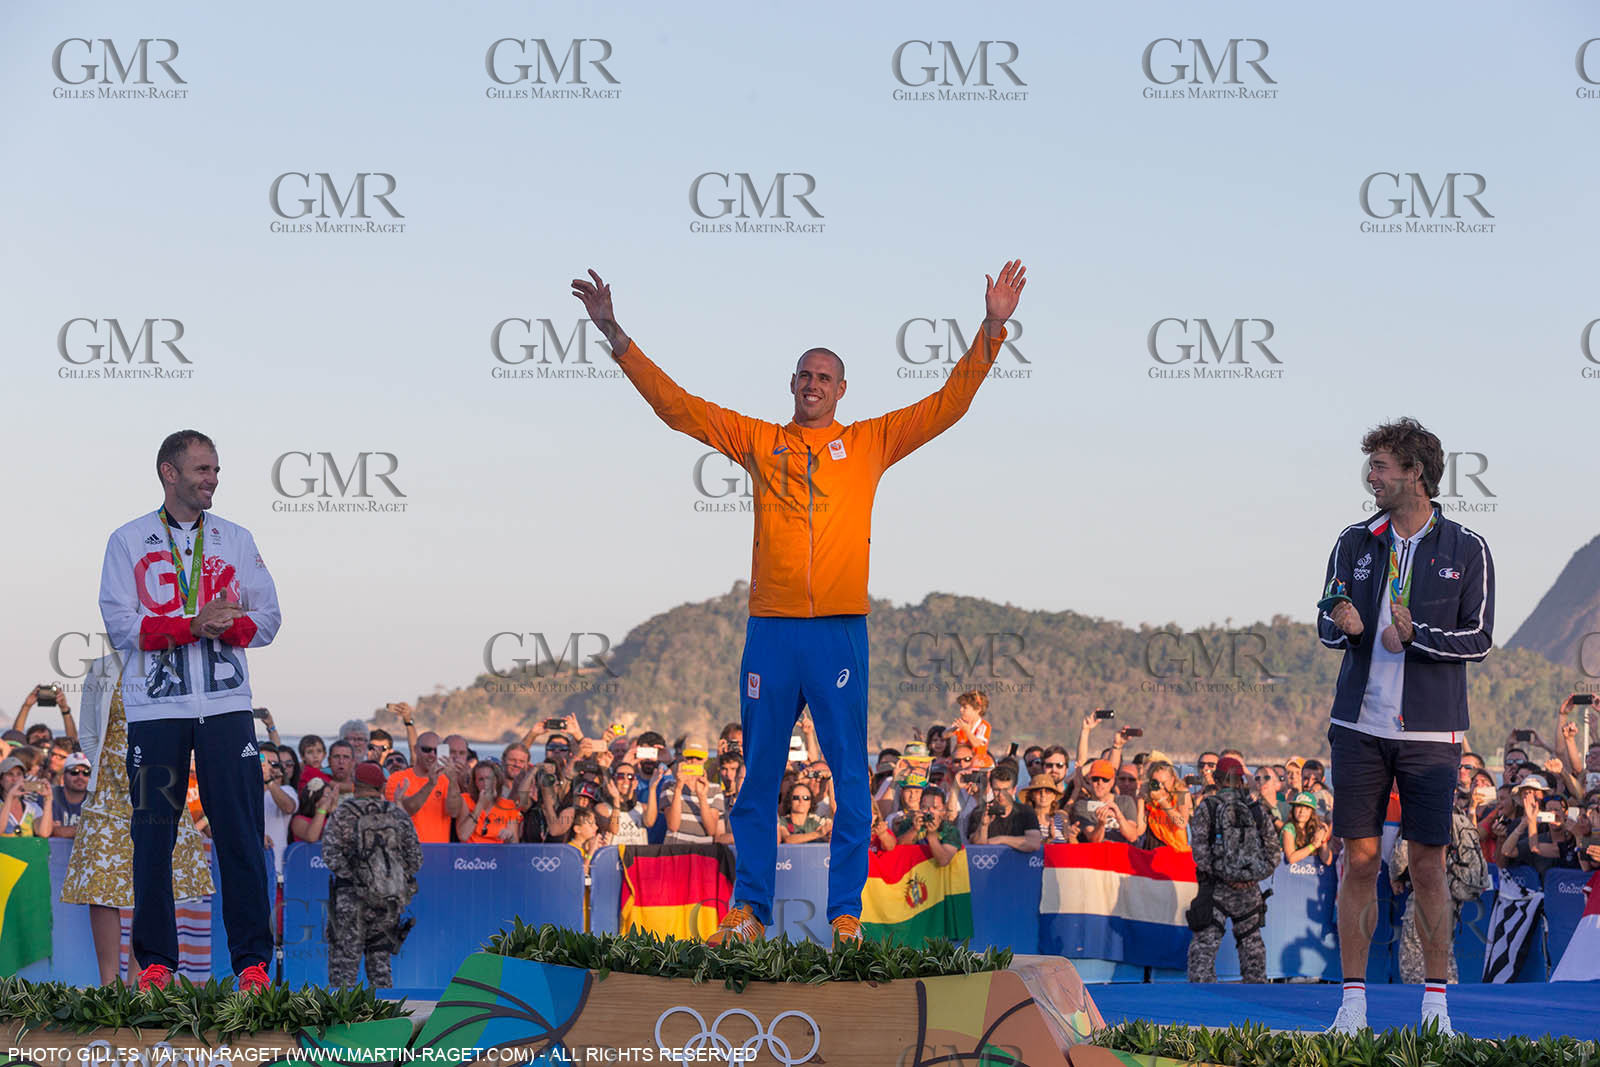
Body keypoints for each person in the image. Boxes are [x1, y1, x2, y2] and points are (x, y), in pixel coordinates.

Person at [573, 261, 1026, 946]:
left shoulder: (871, 442)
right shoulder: (762, 441)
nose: (813, 385)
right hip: (773, 631)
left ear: (842, 390)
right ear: (791, 384)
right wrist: (614, 333)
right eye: (803, 375)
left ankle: (846, 912)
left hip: (839, 633)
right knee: (757, 778)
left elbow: (948, 404)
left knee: (848, 779)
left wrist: (992, 329)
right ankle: (749, 908)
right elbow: (678, 408)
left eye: (825, 377)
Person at [1318, 417, 1494, 1036]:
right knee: (1359, 861)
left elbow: (1479, 639)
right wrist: (1342, 619)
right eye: (1371, 467)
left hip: (1431, 734)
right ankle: (1353, 1004)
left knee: (1427, 867)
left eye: (1382, 468)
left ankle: (1436, 1008)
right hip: (1357, 726)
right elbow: (1325, 613)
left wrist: (1418, 637)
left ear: (1415, 474)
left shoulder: (1467, 548)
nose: (1372, 478)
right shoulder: (1353, 540)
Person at [99, 429, 280, 993]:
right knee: (152, 834)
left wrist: (225, 625)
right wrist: (189, 626)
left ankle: (252, 967)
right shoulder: (128, 540)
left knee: (242, 836)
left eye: (216, 470)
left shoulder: (236, 538)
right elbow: (120, 625)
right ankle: (156, 965)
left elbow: (270, 620)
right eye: (202, 469)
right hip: (156, 710)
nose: (213, 480)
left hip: (227, 709)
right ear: (168, 473)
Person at [60, 658, 214, 986]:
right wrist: (104, 772)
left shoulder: (175, 665)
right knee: (100, 883)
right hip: (110, 782)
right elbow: (89, 731)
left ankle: (141, 981)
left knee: (153, 880)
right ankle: (109, 986)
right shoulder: (103, 666)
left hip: (157, 782)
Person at [321, 761, 422, 989]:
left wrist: (357, 879)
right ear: (382, 786)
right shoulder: (398, 815)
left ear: (355, 785)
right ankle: (386, 1018)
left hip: (349, 899)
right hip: (388, 901)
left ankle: (342, 1020)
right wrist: (388, 879)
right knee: (380, 967)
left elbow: (330, 854)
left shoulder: (343, 814)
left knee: (344, 969)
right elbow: (415, 859)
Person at [1185, 757, 1279, 984]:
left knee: (1204, 950)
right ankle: (1256, 1004)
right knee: (1252, 949)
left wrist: (1224, 876)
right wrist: (1249, 878)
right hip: (1249, 893)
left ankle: (1200, 1003)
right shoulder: (1257, 810)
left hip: (1216, 890)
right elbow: (1274, 854)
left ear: (1217, 779)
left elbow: (1199, 852)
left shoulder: (1208, 807)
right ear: (1242, 781)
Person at [1389, 804, 1489, 984]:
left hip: (1424, 895)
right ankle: (1447, 995)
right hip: (1453, 896)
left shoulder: (1422, 814)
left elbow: (1401, 857)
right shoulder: (1461, 819)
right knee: (1444, 949)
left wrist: (1395, 877)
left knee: (1414, 958)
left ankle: (1423, 1001)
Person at [382, 713, 463, 844]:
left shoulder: (446, 780)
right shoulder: (398, 778)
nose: (432, 754)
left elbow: (454, 812)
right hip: (408, 853)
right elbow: (407, 810)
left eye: (436, 751)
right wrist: (430, 784)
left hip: (438, 853)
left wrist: (454, 781)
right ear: (415, 750)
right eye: (426, 749)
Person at [968, 763, 1042, 852]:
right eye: (997, 789)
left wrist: (1001, 840)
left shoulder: (1025, 812)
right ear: (991, 788)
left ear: (1014, 790)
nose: (1001, 795)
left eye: (1006, 790)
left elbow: (1034, 843)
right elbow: (976, 847)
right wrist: (983, 825)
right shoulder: (981, 811)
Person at [457, 762, 522, 843]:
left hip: (497, 853)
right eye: (481, 779)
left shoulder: (508, 805)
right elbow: (463, 836)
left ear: (496, 781)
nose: (486, 783)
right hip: (471, 854)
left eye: (489, 778)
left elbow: (515, 843)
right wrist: (480, 805)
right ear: (475, 783)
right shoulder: (465, 800)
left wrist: (509, 836)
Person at [1142, 760, 1193, 851]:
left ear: (1172, 780)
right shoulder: (1148, 794)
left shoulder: (1181, 793)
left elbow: (1182, 823)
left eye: (1164, 783)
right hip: (1153, 846)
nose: (1161, 787)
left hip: (1177, 848)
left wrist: (1161, 800)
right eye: (1156, 783)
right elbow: (1139, 830)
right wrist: (1141, 798)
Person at [1, 757, 54, 837]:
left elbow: (44, 833)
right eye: (10, 774)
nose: (15, 779)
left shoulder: (32, 808)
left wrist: (48, 799)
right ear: (1, 780)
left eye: (19, 774)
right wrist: (10, 797)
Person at [1021, 772, 1074, 843]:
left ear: (1054, 796)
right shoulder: (1025, 819)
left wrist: (1072, 836)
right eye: (1038, 791)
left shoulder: (1062, 816)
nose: (1043, 794)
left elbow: (1073, 848)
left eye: (1048, 791)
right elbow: (1026, 847)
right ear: (1032, 796)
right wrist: (1048, 839)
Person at [1282, 792, 1334, 865]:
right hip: (1287, 875)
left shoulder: (1315, 828)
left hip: (1308, 874)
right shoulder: (1289, 828)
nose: (1302, 811)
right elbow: (1291, 858)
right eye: (1299, 806)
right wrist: (1313, 845)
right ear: (1293, 809)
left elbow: (1327, 861)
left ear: (1312, 812)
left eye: (1307, 808)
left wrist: (1323, 841)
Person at [50, 752, 93, 838]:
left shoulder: (96, 800)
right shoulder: (50, 795)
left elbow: (96, 832)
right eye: (74, 772)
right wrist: (85, 830)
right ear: (63, 776)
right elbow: (46, 831)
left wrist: (60, 830)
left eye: (86, 773)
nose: (80, 777)